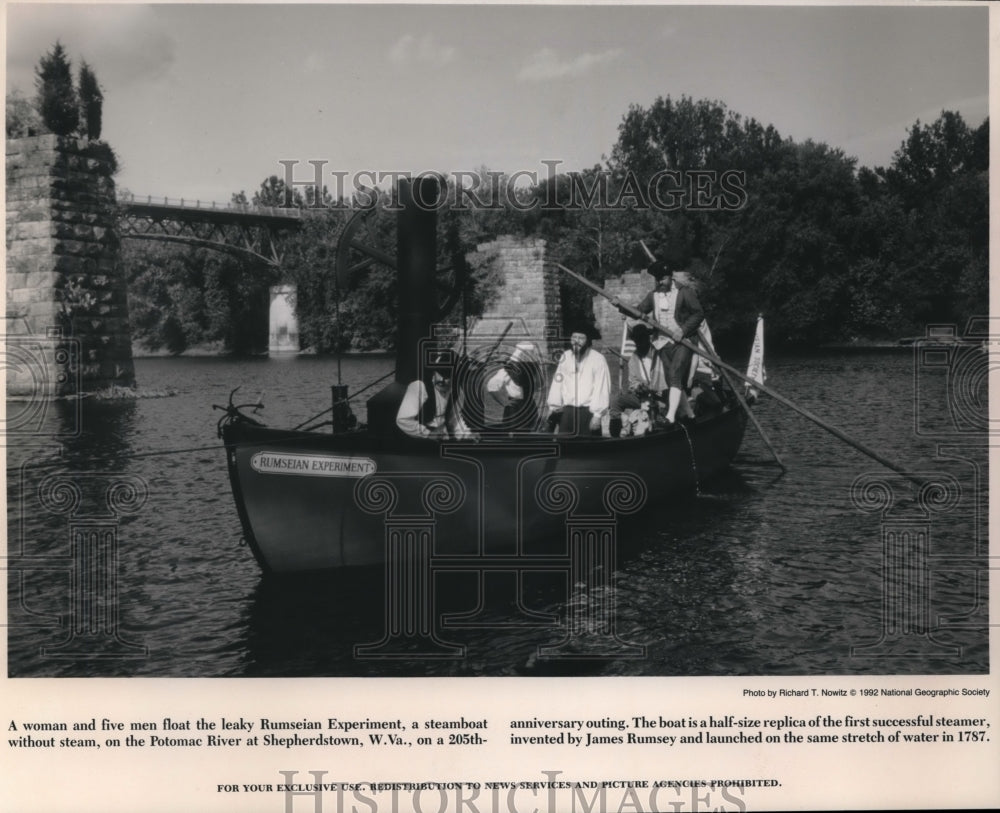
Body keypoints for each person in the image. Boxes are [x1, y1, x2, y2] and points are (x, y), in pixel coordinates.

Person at [636, 260, 703, 425]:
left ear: (670, 277)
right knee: (674, 380)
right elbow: (638, 310)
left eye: (663, 279)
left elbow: (698, 314)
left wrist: (683, 330)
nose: (660, 282)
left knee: (674, 375)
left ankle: (670, 417)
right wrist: (619, 305)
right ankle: (690, 415)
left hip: (684, 341)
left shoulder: (684, 292)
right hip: (662, 343)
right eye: (657, 279)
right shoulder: (653, 295)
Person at [546, 326, 610, 436]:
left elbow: (602, 387)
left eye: (581, 338)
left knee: (587, 448)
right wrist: (553, 407)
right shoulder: (565, 356)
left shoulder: (598, 359)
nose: (577, 341)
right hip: (567, 412)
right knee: (565, 447)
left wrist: (597, 416)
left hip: (588, 413)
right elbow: (557, 383)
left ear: (588, 341)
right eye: (574, 337)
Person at [396, 353, 474, 439]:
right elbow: (403, 420)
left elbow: (454, 420)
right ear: (434, 372)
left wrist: (467, 435)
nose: (442, 380)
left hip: (442, 438)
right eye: (440, 373)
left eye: (448, 375)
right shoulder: (419, 387)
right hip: (417, 440)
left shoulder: (458, 392)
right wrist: (428, 433)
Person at [610, 323, 667, 436]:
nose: (640, 344)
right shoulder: (633, 359)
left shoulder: (660, 354)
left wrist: (655, 389)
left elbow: (667, 378)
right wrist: (638, 387)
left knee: (656, 411)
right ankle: (615, 434)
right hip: (642, 397)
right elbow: (633, 382)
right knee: (615, 401)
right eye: (637, 341)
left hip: (661, 395)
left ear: (648, 338)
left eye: (642, 339)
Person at [486, 342, 542, 430]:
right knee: (513, 434)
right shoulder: (506, 370)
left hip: (530, 405)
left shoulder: (532, 368)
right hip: (515, 407)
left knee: (530, 433)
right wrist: (503, 402)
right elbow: (491, 386)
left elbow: (539, 386)